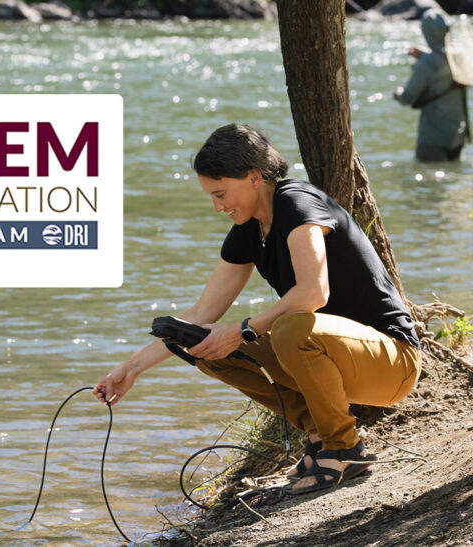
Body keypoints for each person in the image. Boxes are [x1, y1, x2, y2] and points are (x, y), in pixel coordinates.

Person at [94, 123, 422, 495]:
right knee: (206, 346)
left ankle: (345, 447)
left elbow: (313, 291)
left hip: (392, 362)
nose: (217, 207)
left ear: (253, 177)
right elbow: (203, 310)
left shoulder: (297, 202)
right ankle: (319, 432)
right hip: (337, 358)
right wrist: (129, 369)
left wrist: (245, 328)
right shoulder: (249, 230)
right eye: (211, 197)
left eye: (220, 194)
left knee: (288, 328)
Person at [394, 8, 469, 162]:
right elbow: (441, 58)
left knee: (429, 179)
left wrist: (397, 93)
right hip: (458, 134)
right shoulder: (459, 57)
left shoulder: (427, 64)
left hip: (433, 137)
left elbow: (407, 98)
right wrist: (424, 54)